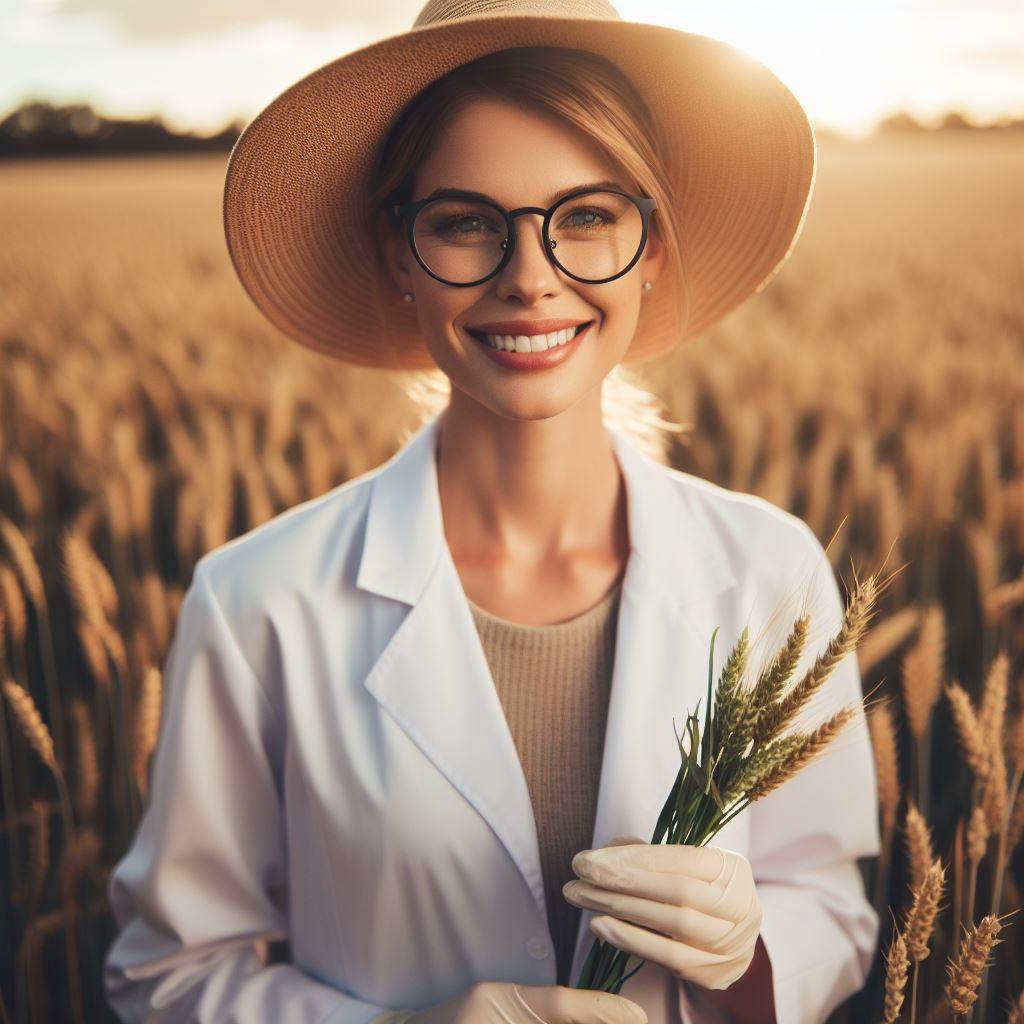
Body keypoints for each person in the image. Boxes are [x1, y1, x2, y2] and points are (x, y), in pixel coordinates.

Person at [102, 2, 881, 1023]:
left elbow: (835, 903)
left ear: (651, 246)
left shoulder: (769, 567)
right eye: (466, 222)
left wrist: (755, 952)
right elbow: (166, 973)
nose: (529, 277)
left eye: (588, 216)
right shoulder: (258, 601)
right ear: (398, 254)